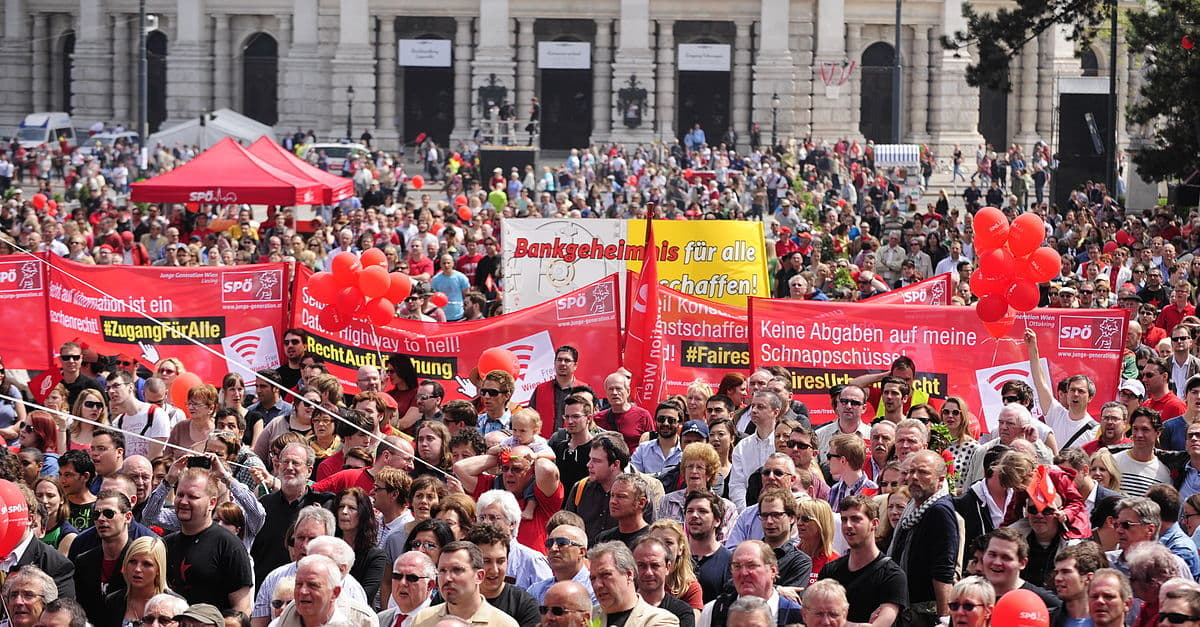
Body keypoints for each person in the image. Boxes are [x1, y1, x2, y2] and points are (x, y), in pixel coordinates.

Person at [163, 468, 254, 613]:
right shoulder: (165, 544)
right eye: (180, 495)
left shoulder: (228, 545)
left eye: (193, 497)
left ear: (212, 503)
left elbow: (242, 610)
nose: (184, 501)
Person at [251, 442, 337, 586]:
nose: (289, 467)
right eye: (285, 462)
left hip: (309, 585)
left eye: (295, 463)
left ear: (309, 471)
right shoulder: (263, 505)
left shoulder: (324, 506)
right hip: (267, 587)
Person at [888, 450, 959, 624]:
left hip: (925, 613)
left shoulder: (939, 511)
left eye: (923, 472)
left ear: (941, 479)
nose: (913, 477)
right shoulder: (913, 506)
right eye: (911, 471)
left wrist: (943, 619)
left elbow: (944, 568)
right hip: (907, 607)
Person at [820, 495, 907, 627]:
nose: (848, 525)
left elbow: (881, 624)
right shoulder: (830, 570)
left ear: (874, 523)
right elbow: (814, 617)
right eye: (844, 519)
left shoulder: (892, 575)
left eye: (856, 519)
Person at [409, 541, 519, 627]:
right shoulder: (422, 620)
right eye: (442, 570)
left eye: (457, 570)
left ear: (479, 576)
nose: (447, 578)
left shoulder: (504, 624)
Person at [698, 541, 801, 627]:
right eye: (737, 566)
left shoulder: (795, 614)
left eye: (751, 566)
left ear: (772, 571)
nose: (743, 573)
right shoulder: (714, 611)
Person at [1027, 328, 1100, 447]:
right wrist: (1032, 348)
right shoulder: (1056, 414)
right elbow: (1040, 383)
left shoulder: (1095, 430)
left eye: (1081, 391)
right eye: (1072, 390)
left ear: (1090, 397)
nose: (1075, 394)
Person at [463, 522, 540, 627]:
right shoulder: (450, 598)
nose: (494, 570)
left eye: (500, 561)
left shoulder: (524, 604)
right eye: (486, 561)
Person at [74, 489, 135, 620]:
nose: (101, 519)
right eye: (96, 515)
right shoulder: (83, 561)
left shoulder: (139, 560)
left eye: (109, 513)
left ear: (128, 517)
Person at [588, 541, 679, 627]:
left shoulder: (660, 620)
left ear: (629, 575)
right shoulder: (587, 617)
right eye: (593, 578)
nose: (597, 585)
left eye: (605, 575)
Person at [8, 483, 76, 597]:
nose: (4, 517)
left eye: (10, 512)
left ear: (30, 519)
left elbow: (61, 612)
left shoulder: (56, 565)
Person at [270, 554, 375, 627]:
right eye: (299, 584)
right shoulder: (285, 618)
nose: (303, 591)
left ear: (335, 592)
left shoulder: (362, 620)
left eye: (313, 585)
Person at [563, 432, 630, 544]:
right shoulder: (580, 488)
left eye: (596, 461)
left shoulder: (636, 492)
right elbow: (567, 528)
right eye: (590, 459)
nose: (589, 465)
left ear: (615, 465)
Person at [979, 528, 1062, 613]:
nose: (997, 562)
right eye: (992, 555)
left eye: (1006, 557)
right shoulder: (970, 595)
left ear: (1022, 563)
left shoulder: (1043, 602)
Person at [334, 487, 388, 604]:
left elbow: (365, 596)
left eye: (352, 508)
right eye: (341, 506)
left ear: (363, 514)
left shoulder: (376, 556)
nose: (344, 512)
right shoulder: (327, 548)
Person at [104, 535, 171, 627]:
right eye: (132, 562)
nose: (137, 569)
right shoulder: (113, 601)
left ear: (158, 570)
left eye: (147, 564)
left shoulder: (174, 605)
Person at [631, 536, 694, 627]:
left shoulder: (681, 612)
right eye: (641, 565)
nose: (649, 572)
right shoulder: (620, 608)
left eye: (655, 565)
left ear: (667, 567)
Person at [527, 525, 594, 604]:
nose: (553, 548)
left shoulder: (595, 589)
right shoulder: (536, 591)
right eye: (549, 543)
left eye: (561, 543)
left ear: (581, 552)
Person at [595, 372, 654, 452]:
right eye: (611, 389)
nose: (614, 393)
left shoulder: (643, 416)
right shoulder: (598, 418)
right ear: (606, 393)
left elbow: (652, 445)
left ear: (628, 391)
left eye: (618, 389)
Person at [377, 551, 437, 627]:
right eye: (397, 576)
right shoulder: (380, 619)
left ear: (429, 585)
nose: (402, 583)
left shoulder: (440, 622)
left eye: (412, 578)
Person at [631, 402, 684, 475]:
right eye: (661, 419)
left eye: (671, 420)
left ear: (680, 423)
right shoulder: (643, 449)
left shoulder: (685, 451)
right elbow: (633, 476)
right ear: (655, 421)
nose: (666, 423)